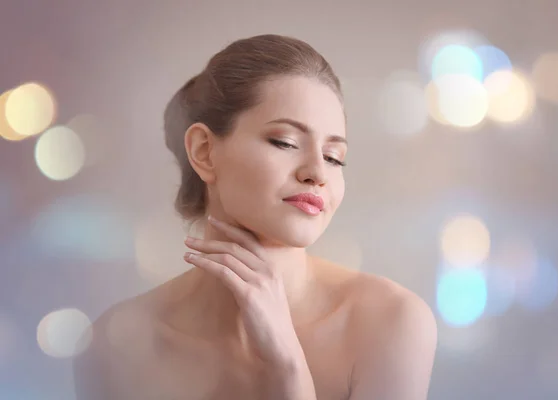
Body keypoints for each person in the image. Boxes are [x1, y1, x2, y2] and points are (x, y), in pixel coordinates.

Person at [72, 34, 438, 400]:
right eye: (286, 142)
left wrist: (287, 365)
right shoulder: (113, 346)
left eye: (333, 156)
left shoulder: (390, 323)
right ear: (204, 151)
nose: (318, 173)